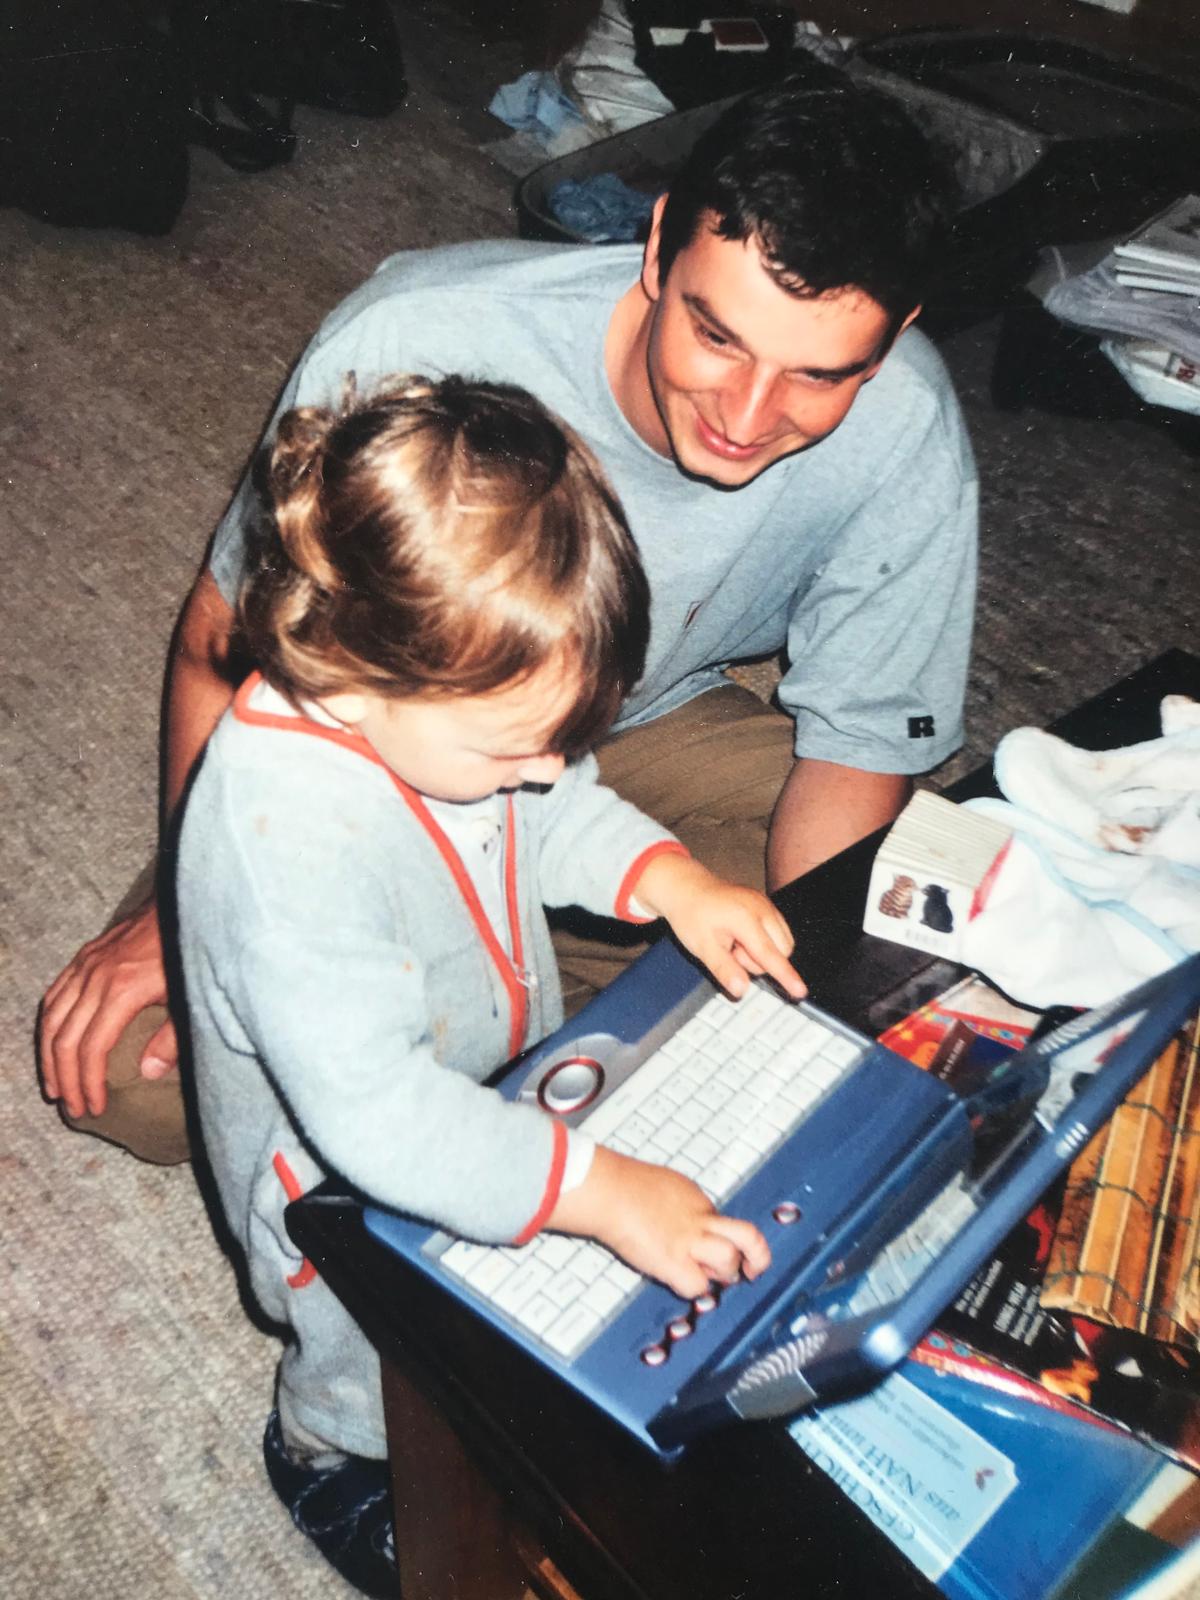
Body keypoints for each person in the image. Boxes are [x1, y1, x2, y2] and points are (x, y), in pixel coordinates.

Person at [38, 77, 977, 1164]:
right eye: (717, 337)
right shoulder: (420, 338)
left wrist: (813, 1013)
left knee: (890, 916)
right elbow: (222, 643)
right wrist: (195, 902)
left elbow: (854, 757)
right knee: (132, 1076)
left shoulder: (908, 426)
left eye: (818, 376)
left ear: (896, 333)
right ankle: (500, 1018)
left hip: (647, 723)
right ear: (659, 239)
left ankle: (471, 1012)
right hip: (383, 729)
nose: (748, 416)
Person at [178, 374, 804, 1596]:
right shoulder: (282, 835)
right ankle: (319, 1451)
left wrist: (669, 876)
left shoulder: (454, 723)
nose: (549, 767)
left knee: (507, 1284)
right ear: (352, 676)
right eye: (516, 746)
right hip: (342, 1182)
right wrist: (601, 1189)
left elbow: (554, 802)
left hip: (487, 1072)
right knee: (380, 1356)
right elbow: (381, 1123)